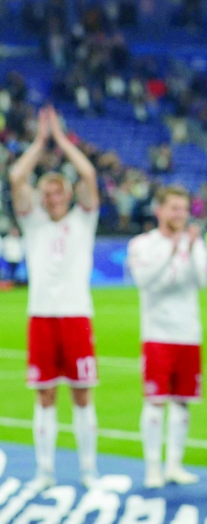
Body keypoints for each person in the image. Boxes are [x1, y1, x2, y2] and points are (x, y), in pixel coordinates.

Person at [10, 107, 100, 488]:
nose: (53, 196)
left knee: (82, 396)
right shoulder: (32, 222)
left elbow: (89, 174)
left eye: (59, 189)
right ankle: (44, 471)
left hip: (76, 315)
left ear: (68, 193)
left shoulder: (84, 219)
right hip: (42, 316)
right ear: (40, 197)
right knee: (44, 396)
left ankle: (88, 469)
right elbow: (16, 176)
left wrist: (63, 141)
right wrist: (39, 143)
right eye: (46, 192)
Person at [126, 185, 207, 488]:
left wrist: (189, 248)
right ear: (159, 210)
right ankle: (152, 468)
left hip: (188, 332)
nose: (179, 214)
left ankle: (175, 464)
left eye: (184, 209)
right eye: (173, 208)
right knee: (155, 401)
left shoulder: (194, 243)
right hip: (157, 333)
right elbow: (145, 281)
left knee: (183, 402)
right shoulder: (142, 244)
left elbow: (201, 282)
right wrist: (173, 251)